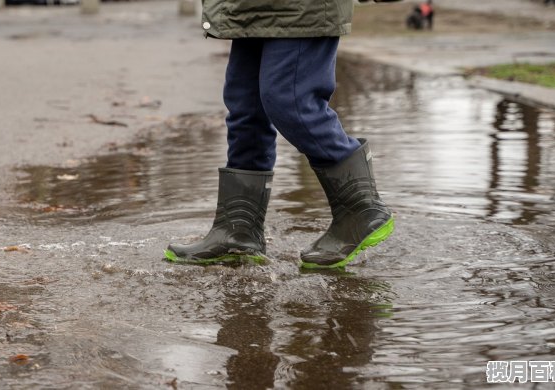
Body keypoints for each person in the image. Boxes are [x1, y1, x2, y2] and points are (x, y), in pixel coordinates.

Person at [164, 0, 395, 269]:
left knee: (291, 101)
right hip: (248, 7)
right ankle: (238, 230)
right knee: (246, 107)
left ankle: (360, 208)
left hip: (300, 7)